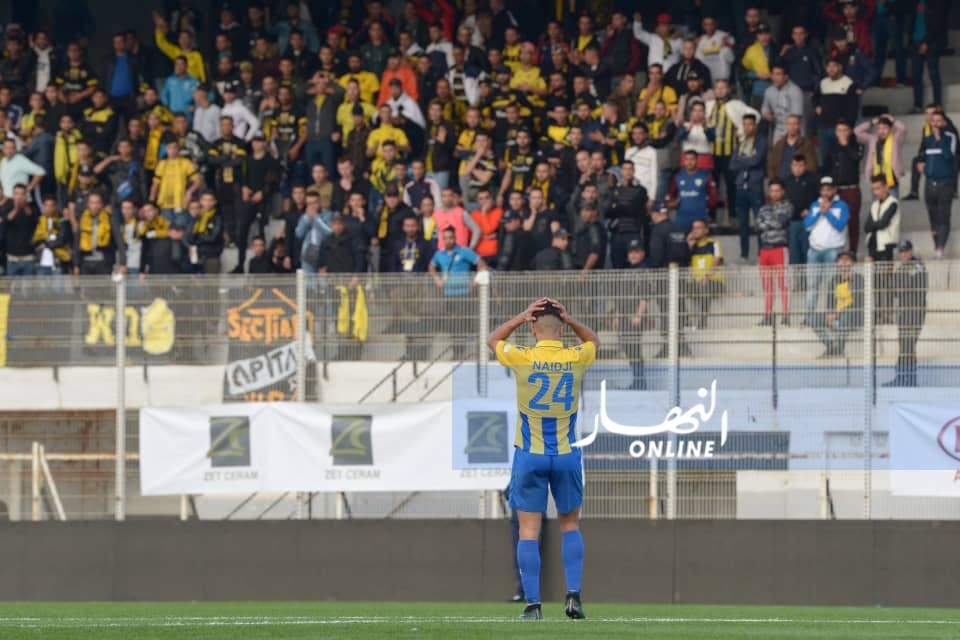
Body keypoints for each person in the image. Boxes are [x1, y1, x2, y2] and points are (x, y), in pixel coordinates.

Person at [486, 298, 597, 621]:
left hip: (530, 454)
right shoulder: (576, 357)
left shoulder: (523, 357)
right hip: (566, 455)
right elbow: (594, 340)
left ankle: (533, 605)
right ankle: (573, 597)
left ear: (534, 330)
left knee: (527, 530)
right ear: (561, 331)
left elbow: (492, 340)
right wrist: (571, 318)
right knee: (570, 524)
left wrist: (520, 317)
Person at [804, 177, 850, 324]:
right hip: (814, 250)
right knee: (812, 285)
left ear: (834, 190)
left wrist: (828, 212)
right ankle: (808, 318)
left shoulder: (842, 205)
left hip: (833, 250)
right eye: (823, 189)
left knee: (832, 285)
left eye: (828, 189)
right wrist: (820, 212)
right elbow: (807, 225)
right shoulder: (815, 205)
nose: (825, 192)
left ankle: (831, 316)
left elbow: (840, 226)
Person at [884, 240, 927, 387]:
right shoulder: (901, 269)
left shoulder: (917, 266)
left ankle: (909, 378)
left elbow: (918, 288)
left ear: (911, 251)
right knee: (904, 344)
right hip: (904, 314)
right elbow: (893, 290)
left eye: (905, 251)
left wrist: (901, 286)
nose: (902, 254)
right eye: (900, 251)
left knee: (908, 344)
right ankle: (902, 377)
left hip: (915, 314)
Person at [917, 110, 956, 259]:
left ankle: (940, 248)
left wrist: (939, 138)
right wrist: (921, 163)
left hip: (945, 182)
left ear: (944, 123)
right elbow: (922, 155)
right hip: (929, 183)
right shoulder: (927, 139)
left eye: (939, 121)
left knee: (944, 216)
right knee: (933, 218)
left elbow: (949, 156)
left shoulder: (950, 137)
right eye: (933, 121)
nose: (935, 124)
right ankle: (937, 246)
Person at [729, 113, 767, 261]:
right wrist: (746, 160)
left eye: (750, 124)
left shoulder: (761, 141)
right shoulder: (740, 142)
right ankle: (744, 254)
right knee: (742, 223)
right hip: (740, 186)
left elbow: (756, 161)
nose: (747, 127)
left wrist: (741, 160)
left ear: (755, 125)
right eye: (744, 124)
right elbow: (732, 165)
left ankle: (761, 254)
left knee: (759, 222)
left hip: (755, 185)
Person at [811, 251, 863, 358]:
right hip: (837, 320)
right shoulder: (834, 280)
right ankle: (831, 347)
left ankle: (839, 349)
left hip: (853, 318)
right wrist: (830, 314)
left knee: (845, 316)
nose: (843, 262)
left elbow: (858, 302)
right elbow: (830, 300)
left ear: (852, 263)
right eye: (841, 259)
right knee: (813, 319)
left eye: (847, 259)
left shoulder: (858, 279)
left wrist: (838, 313)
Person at [756, 180, 793, 326]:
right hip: (764, 249)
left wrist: (766, 223)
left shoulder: (787, 206)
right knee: (767, 286)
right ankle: (768, 315)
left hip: (780, 248)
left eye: (777, 190)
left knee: (783, 284)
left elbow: (780, 223)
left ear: (782, 191)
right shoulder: (763, 208)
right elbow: (757, 226)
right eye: (772, 191)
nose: (775, 193)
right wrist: (771, 223)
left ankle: (786, 315)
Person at [854, 115, 906, 197]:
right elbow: (857, 131)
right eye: (879, 128)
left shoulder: (896, 140)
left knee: (892, 204)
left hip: (891, 180)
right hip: (876, 180)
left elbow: (903, 128)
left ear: (890, 129)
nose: (882, 131)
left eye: (885, 128)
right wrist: (871, 123)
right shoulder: (873, 139)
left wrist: (893, 120)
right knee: (876, 205)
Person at [686, 219, 724, 330]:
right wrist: (689, 246)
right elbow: (685, 263)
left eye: (698, 228)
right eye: (693, 228)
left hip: (715, 282)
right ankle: (686, 321)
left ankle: (702, 322)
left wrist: (706, 276)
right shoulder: (691, 246)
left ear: (706, 230)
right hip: (696, 283)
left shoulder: (713, 243)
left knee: (706, 287)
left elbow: (716, 261)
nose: (695, 231)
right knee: (678, 287)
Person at [667, 151, 717, 231]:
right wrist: (673, 202)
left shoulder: (705, 176)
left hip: (699, 218)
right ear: (684, 161)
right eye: (686, 159)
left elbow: (713, 197)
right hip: (681, 219)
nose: (689, 162)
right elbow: (670, 194)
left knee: (699, 239)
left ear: (697, 160)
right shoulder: (678, 176)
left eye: (692, 159)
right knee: (681, 238)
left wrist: (703, 205)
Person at [784, 155, 819, 268]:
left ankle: (807, 277)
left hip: (807, 221)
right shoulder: (787, 181)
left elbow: (818, 199)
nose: (797, 168)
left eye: (800, 165)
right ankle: (797, 278)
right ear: (791, 166)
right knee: (794, 253)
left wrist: (810, 210)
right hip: (792, 222)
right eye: (795, 165)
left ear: (805, 166)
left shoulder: (812, 180)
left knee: (806, 251)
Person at [1, 184, 38, 275]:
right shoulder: (7, 208)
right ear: (13, 195)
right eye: (17, 194)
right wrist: (16, 209)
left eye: (22, 194)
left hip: (29, 258)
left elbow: (33, 220)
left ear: (26, 196)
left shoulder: (32, 208)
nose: (19, 197)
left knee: (30, 284)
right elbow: (6, 221)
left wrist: (24, 206)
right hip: (12, 259)